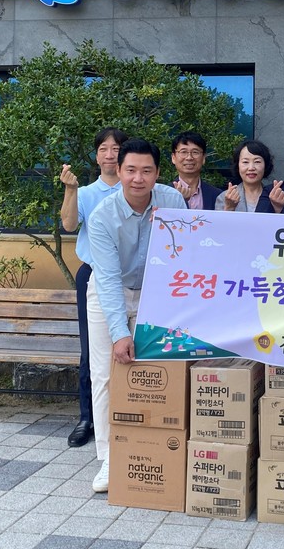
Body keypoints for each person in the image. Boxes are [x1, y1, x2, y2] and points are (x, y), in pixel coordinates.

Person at [86, 138, 187, 493]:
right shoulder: (102, 215)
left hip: (153, 293)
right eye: (130, 170)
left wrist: (170, 231)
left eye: (146, 170)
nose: (138, 178)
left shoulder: (172, 201)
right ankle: (109, 458)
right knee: (105, 375)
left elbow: (185, 256)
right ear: (118, 171)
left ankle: (154, 446)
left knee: (156, 370)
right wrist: (119, 333)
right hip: (108, 292)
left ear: (158, 173)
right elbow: (108, 279)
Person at [59, 127, 128, 449]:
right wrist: (70, 190)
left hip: (131, 276)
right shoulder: (86, 192)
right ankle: (87, 418)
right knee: (91, 350)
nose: (110, 154)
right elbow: (69, 224)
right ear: (97, 156)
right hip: (93, 275)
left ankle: (126, 412)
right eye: (104, 149)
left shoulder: (135, 188)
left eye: (116, 148)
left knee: (130, 346)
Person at [215, 139, 273, 212]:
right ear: (237, 165)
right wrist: (229, 208)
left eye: (257, 161)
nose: (251, 168)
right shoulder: (225, 197)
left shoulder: (273, 197)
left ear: (266, 165)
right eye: (245, 162)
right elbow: (219, 220)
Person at [170, 131, 221, 210]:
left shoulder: (217, 195)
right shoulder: (163, 194)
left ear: (203, 158)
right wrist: (179, 200)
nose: (189, 157)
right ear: (173, 158)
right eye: (183, 152)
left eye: (195, 152)